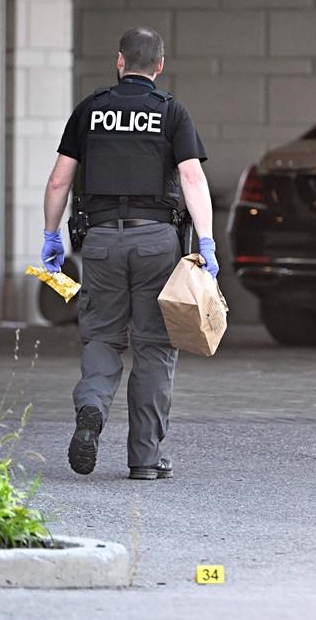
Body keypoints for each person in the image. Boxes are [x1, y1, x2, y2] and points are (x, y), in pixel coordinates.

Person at [41, 27, 217, 481]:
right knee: (154, 347)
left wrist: (50, 235)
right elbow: (193, 181)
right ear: (159, 66)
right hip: (156, 241)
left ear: (119, 61)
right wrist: (207, 243)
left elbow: (60, 180)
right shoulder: (171, 113)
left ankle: (92, 409)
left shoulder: (90, 110)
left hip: (100, 241)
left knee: (102, 337)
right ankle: (144, 458)